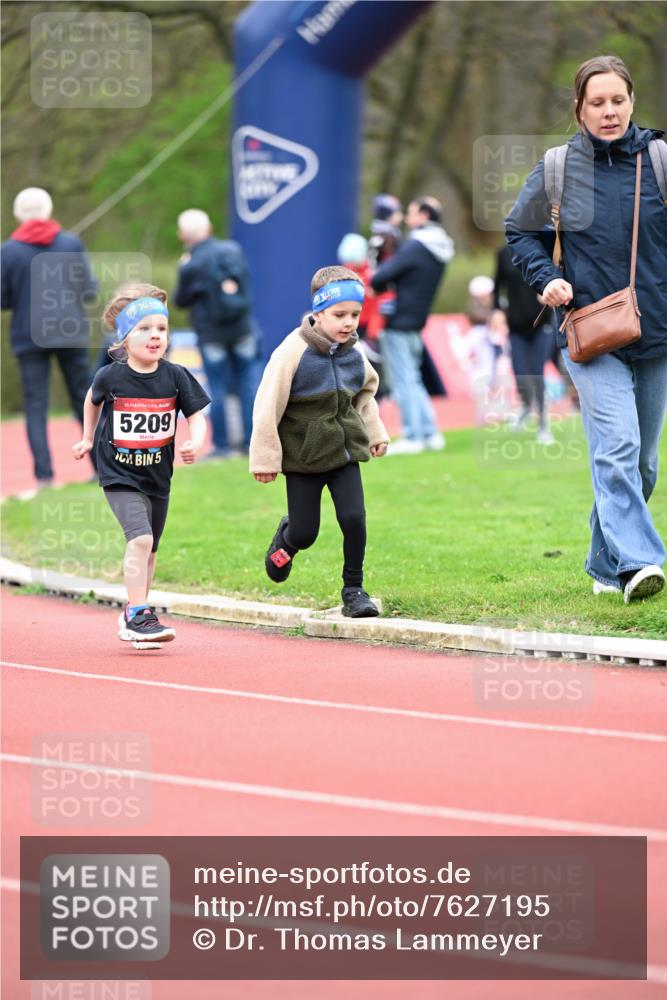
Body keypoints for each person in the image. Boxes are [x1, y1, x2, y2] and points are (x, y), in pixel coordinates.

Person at [506, 54, 667, 603]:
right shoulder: (557, 168)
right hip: (590, 334)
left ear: (632, 102)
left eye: (617, 100)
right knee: (617, 446)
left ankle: (605, 561)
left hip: (657, 332)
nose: (608, 112)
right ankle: (642, 564)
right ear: (578, 109)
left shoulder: (661, 160)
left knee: (643, 462)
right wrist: (546, 278)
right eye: (596, 103)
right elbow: (519, 233)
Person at [72, 284, 210, 644]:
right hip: (118, 474)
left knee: (150, 550)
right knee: (140, 539)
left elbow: (197, 415)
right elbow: (91, 400)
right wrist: (88, 438)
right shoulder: (111, 376)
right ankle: (138, 614)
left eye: (161, 329)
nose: (155, 336)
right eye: (145, 329)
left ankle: (138, 610)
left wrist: (196, 439)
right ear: (124, 339)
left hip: (158, 476)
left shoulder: (176, 376)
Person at [249, 265, 389, 618]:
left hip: (344, 453)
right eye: (339, 314)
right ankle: (285, 541)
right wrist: (265, 458)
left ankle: (354, 589)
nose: (348, 323)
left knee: (354, 518)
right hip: (303, 457)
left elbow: (365, 395)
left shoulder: (354, 352)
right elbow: (268, 404)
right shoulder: (292, 352)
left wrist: (375, 433)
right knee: (305, 532)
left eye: (355, 315)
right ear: (318, 312)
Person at [1, 187, 97, 489]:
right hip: (70, 331)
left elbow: (3, 299)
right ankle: (101, 471)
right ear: (48, 209)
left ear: (18, 215)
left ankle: (45, 477)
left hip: (29, 335)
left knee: (36, 405)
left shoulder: (8, 251)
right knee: (86, 400)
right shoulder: (70, 243)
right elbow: (90, 291)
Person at [370, 196, 454, 454]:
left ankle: (413, 435)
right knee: (414, 379)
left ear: (425, 216)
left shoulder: (416, 245)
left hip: (398, 320)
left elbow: (382, 276)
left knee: (403, 380)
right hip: (417, 320)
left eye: (412, 212)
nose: (407, 217)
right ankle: (429, 432)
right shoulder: (441, 246)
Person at [173, 208, 259, 458]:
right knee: (247, 383)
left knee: (218, 387)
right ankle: (250, 443)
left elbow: (180, 300)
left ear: (183, 235)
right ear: (209, 229)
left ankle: (222, 446)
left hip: (211, 334)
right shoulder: (233, 250)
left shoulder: (190, 264)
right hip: (242, 328)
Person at [494, 244, 554, 444]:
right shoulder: (504, 254)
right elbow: (497, 285)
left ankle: (544, 425)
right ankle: (527, 406)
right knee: (520, 371)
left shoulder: (544, 248)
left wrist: (549, 288)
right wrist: (496, 310)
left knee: (537, 372)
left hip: (541, 323)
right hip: (516, 325)